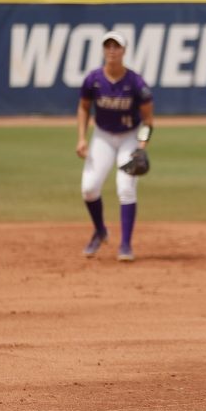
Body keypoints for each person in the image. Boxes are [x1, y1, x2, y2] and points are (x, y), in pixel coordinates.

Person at [76, 31, 154, 262]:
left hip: (129, 136)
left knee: (125, 188)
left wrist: (141, 145)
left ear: (124, 51)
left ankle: (126, 245)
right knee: (89, 189)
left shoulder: (136, 83)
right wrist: (82, 138)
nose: (112, 50)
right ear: (103, 50)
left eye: (116, 46)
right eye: (107, 46)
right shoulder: (93, 79)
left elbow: (148, 121)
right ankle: (100, 231)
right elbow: (83, 108)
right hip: (102, 136)